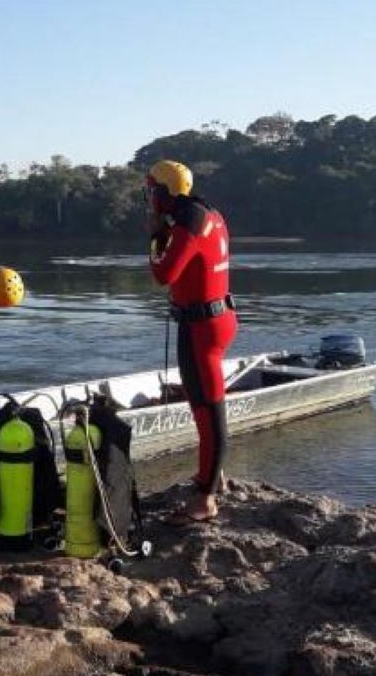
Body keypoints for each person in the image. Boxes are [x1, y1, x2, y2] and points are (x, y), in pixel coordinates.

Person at [146, 159, 237, 523]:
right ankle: (214, 476)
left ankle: (205, 499)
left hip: (203, 327)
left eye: (151, 191)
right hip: (212, 319)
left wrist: (154, 235)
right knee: (203, 404)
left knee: (208, 410)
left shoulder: (188, 223)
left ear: (164, 193)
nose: (149, 198)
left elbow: (162, 273)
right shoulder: (207, 213)